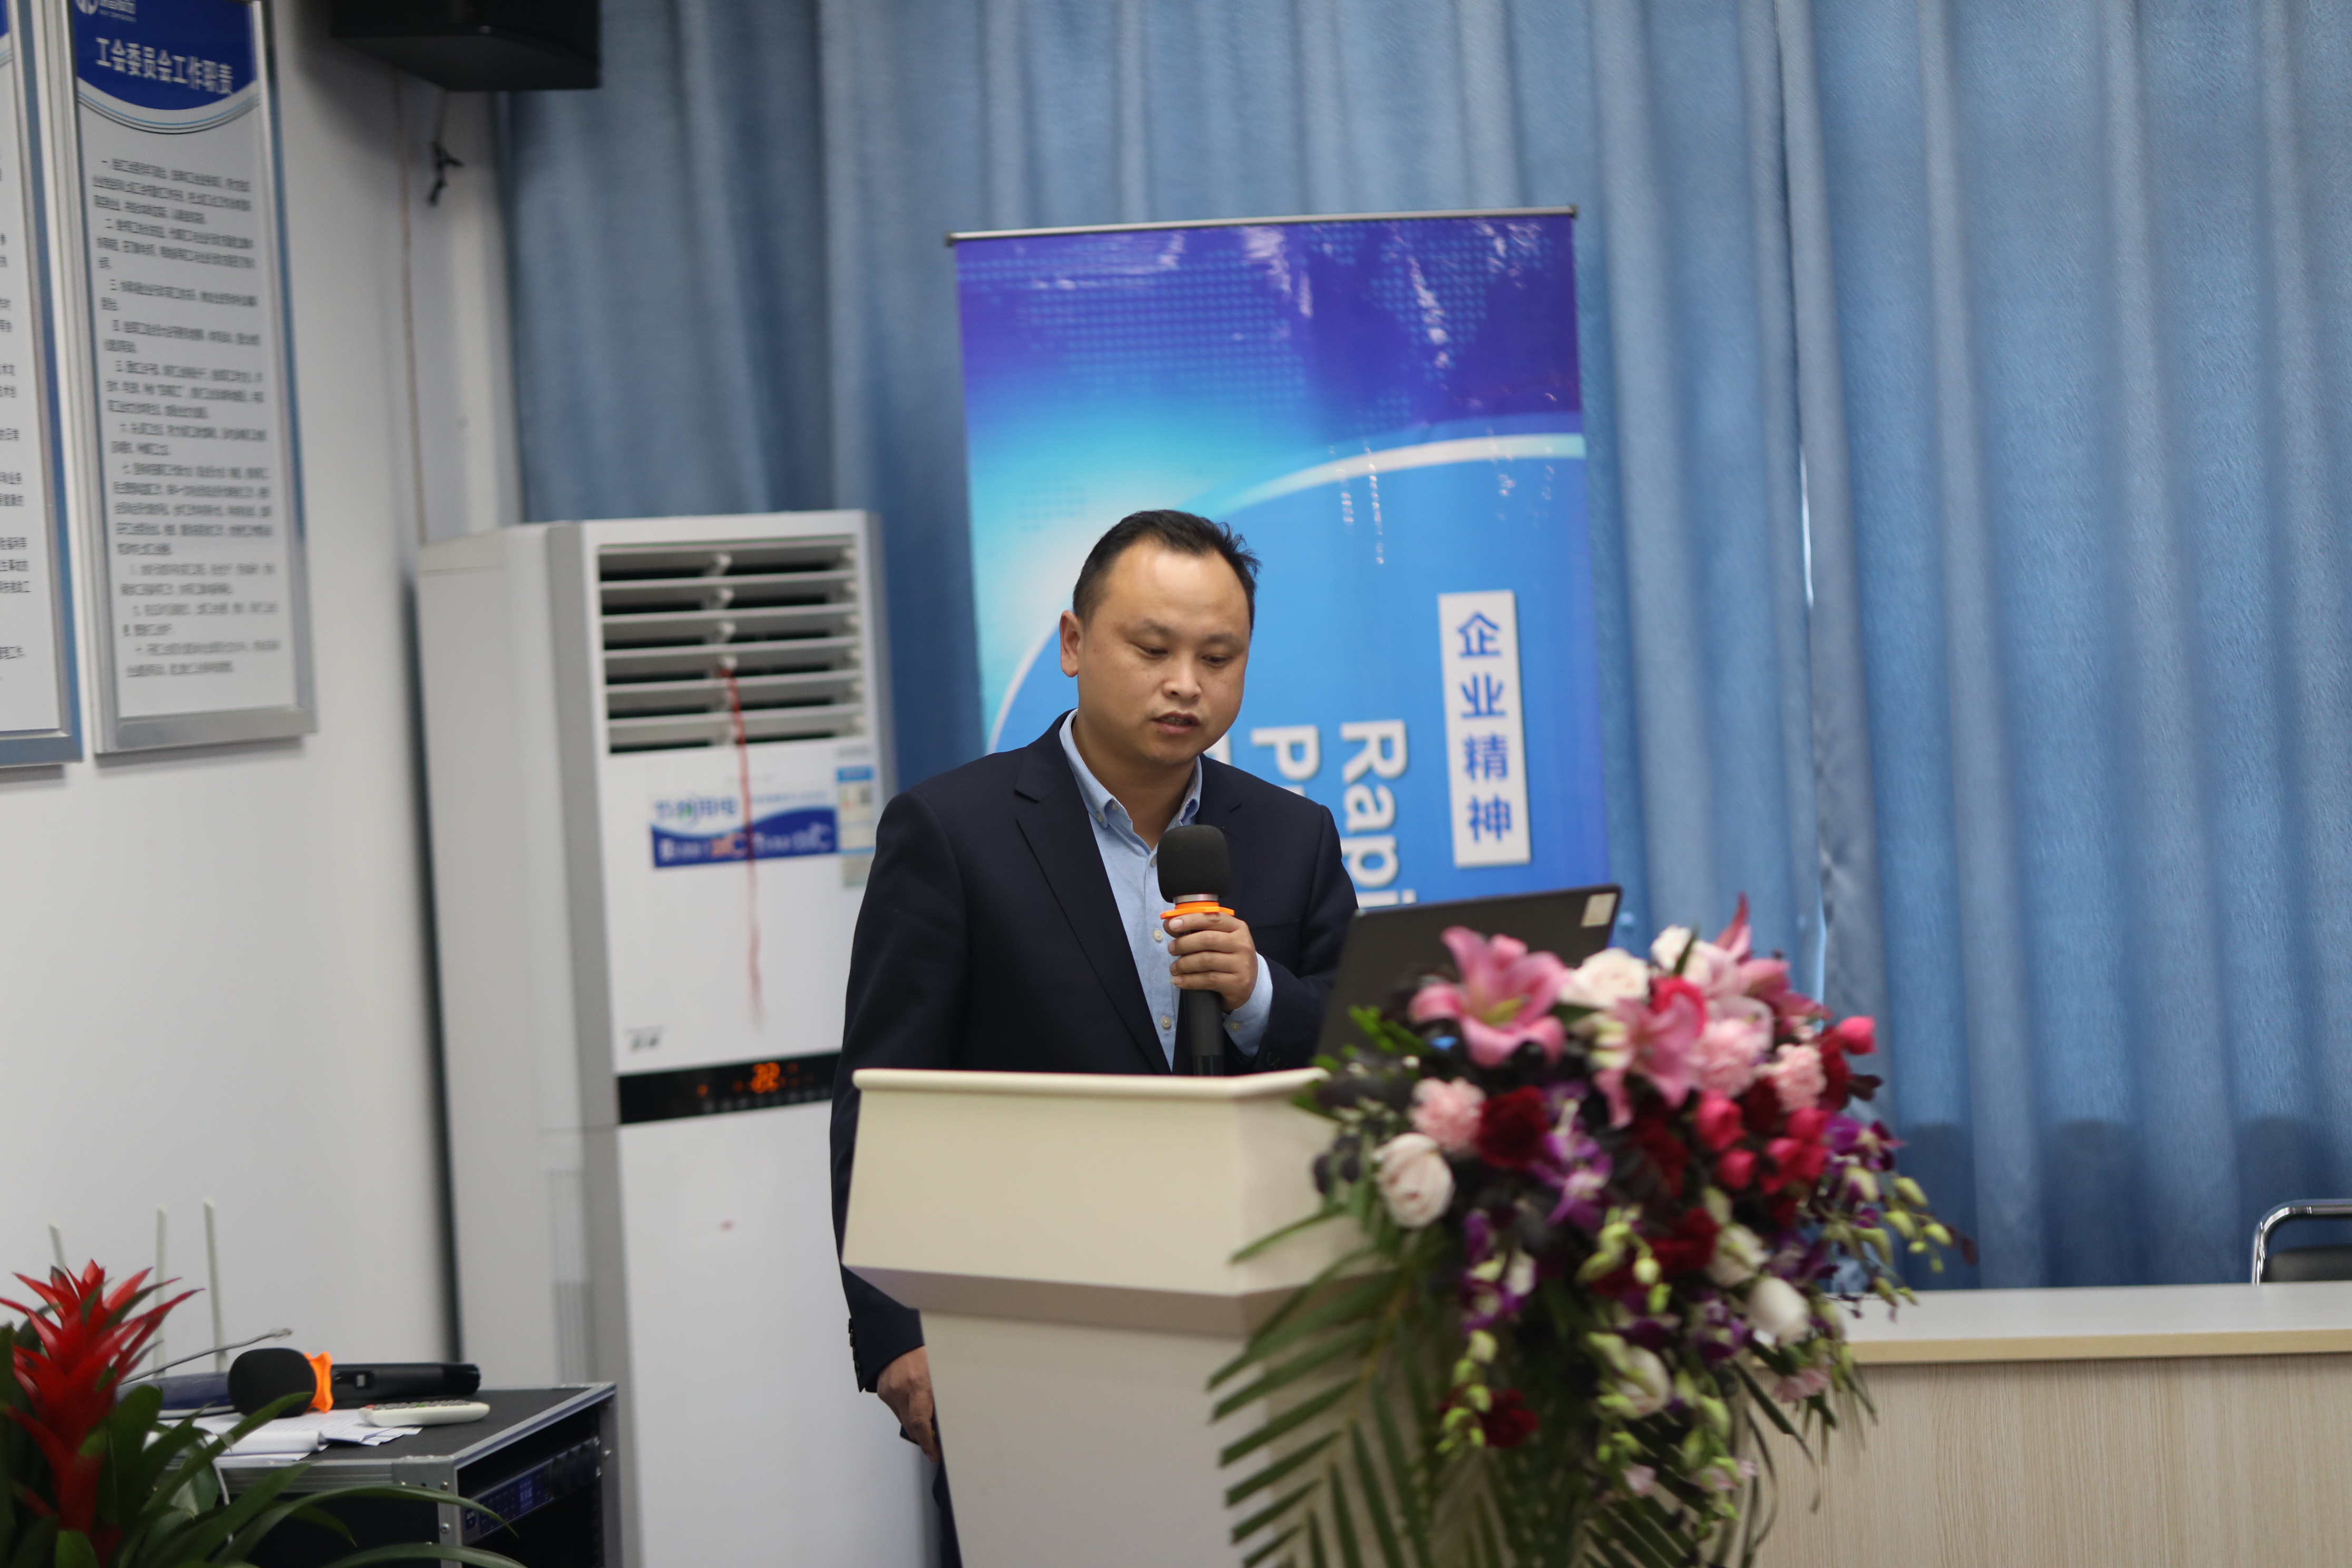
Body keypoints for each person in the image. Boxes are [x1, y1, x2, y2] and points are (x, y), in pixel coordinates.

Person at [828, 509, 1358, 1561]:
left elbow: (1358, 1052)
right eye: (1152, 648)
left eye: (1218, 658)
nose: (1185, 685)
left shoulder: (1293, 835)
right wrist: (896, 1336)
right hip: (1031, 1340)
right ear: (1074, 643)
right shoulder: (953, 832)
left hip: (1264, 1341)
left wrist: (1259, 993)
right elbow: (879, 1100)